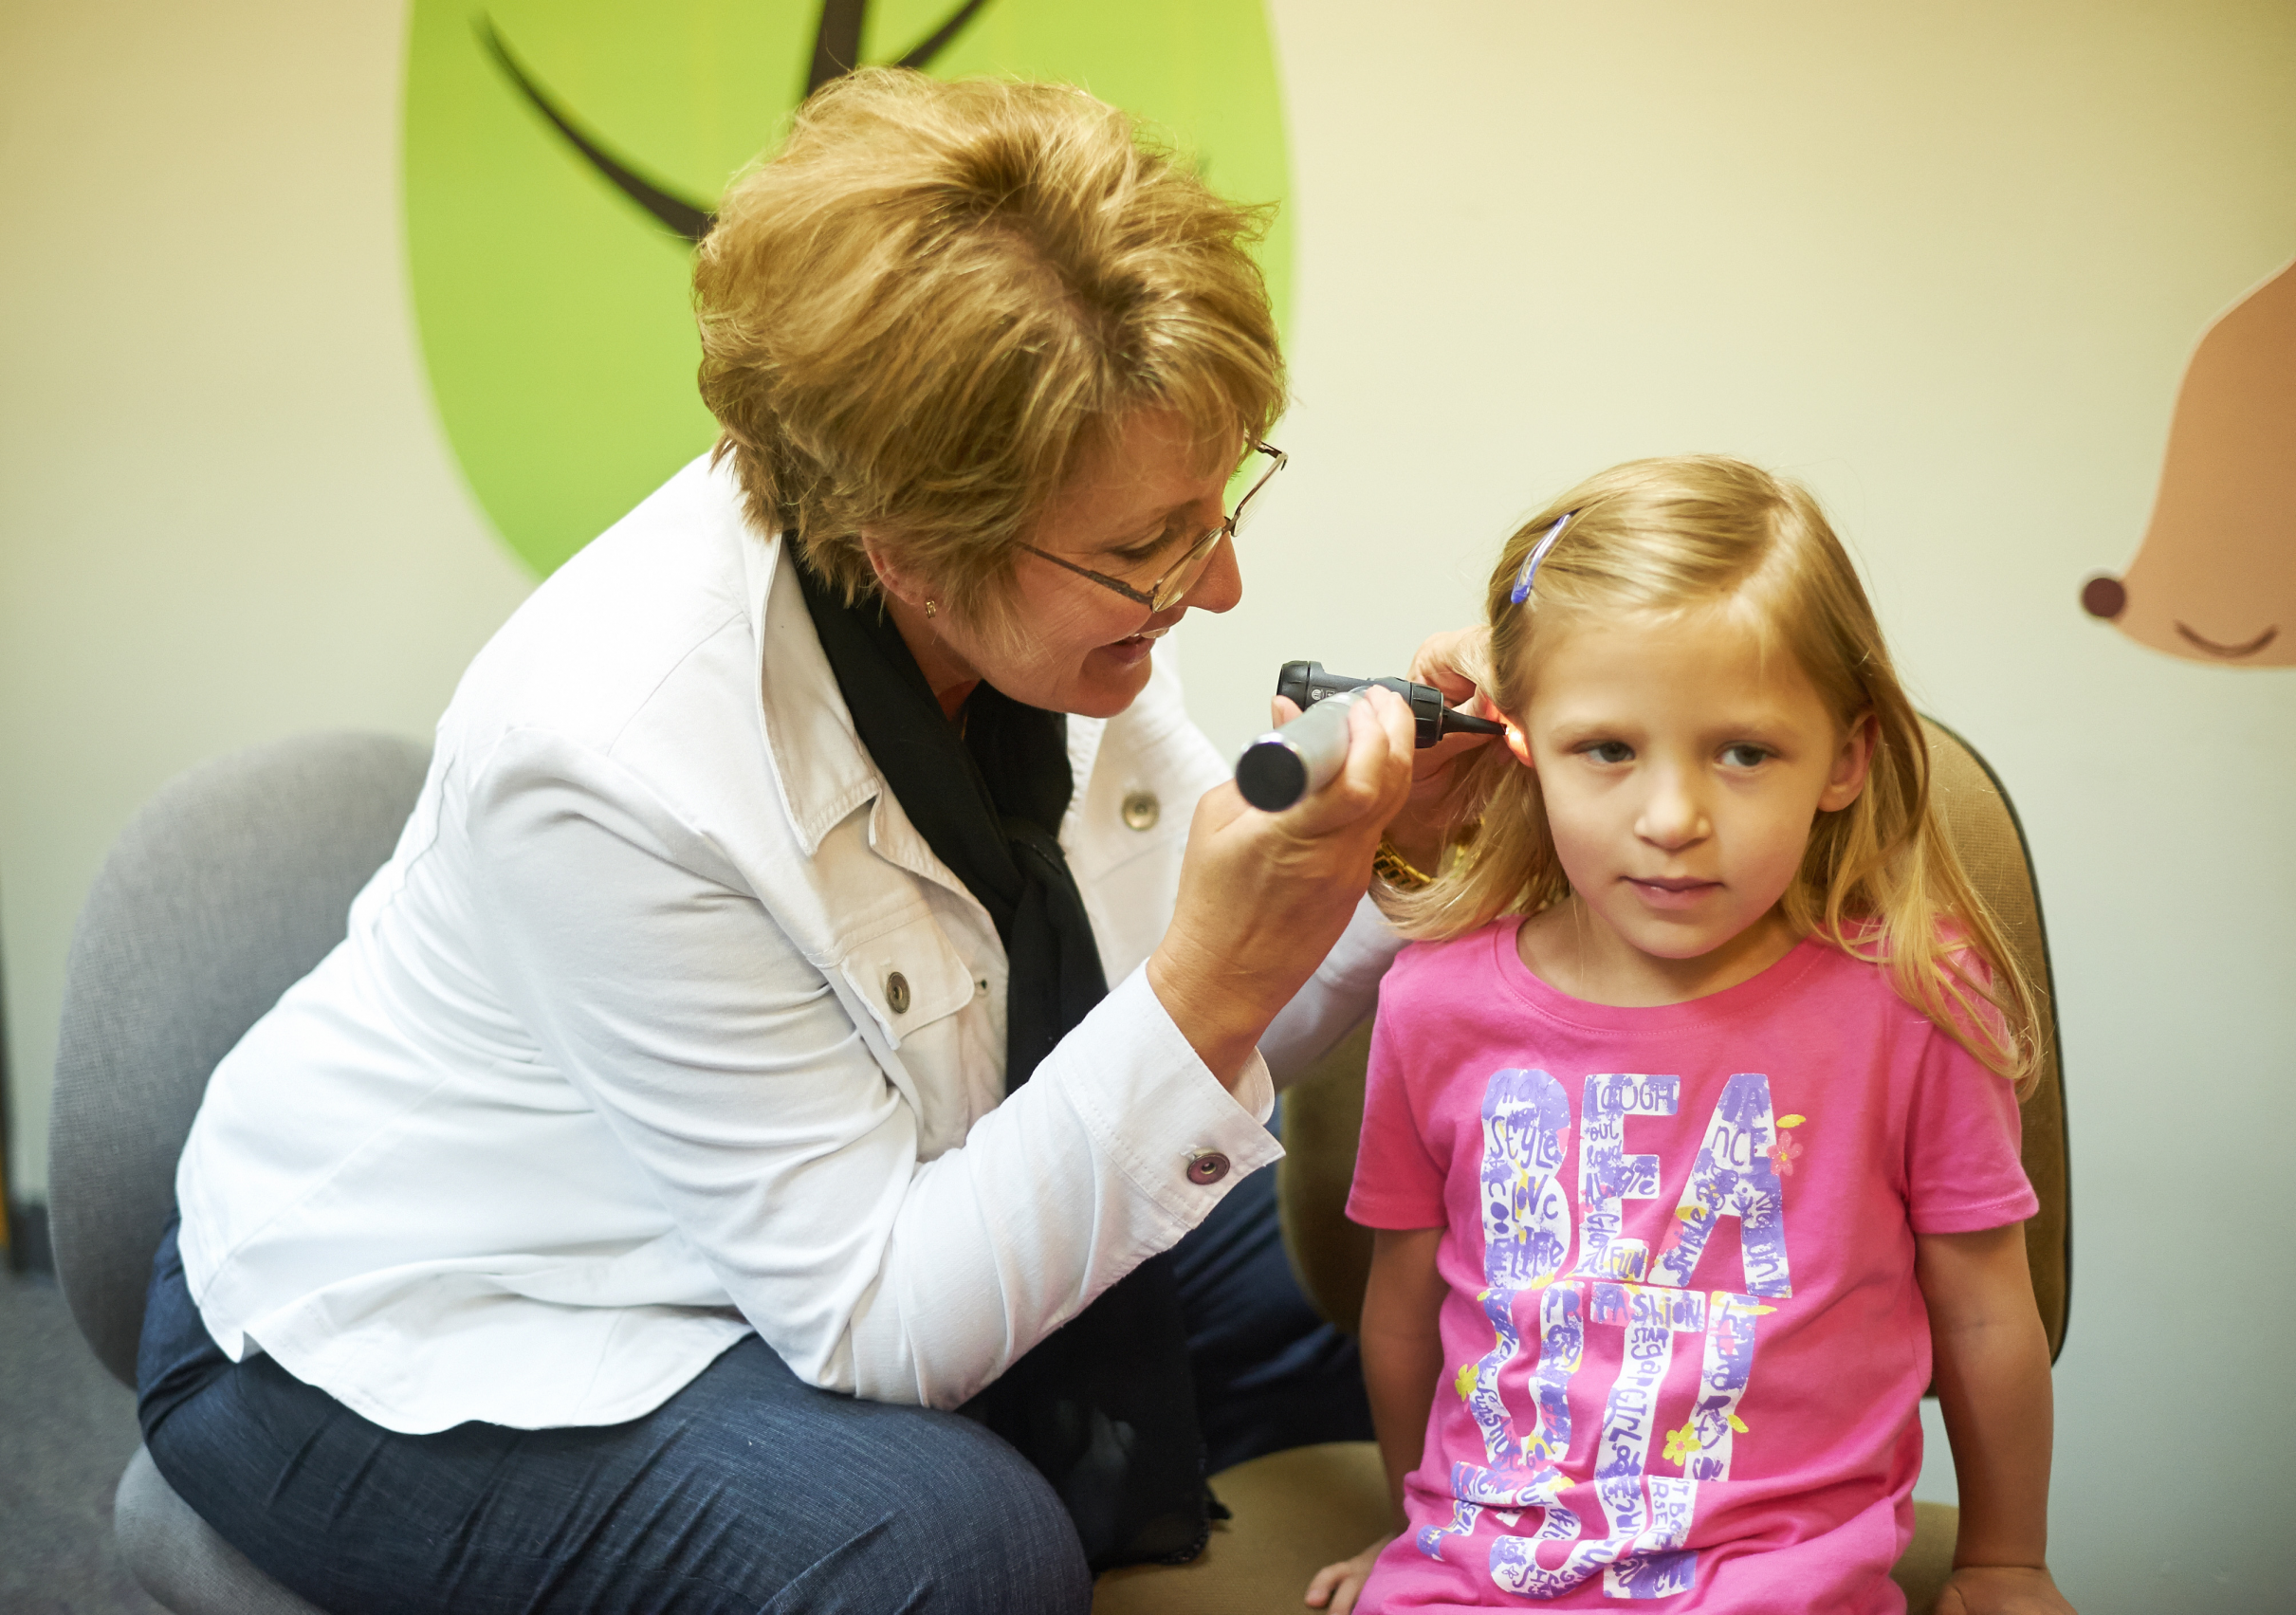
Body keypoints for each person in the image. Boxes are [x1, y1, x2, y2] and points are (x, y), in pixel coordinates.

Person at [136, 69, 1488, 1615]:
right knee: (950, 1544)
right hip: (421, 1327)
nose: (1221, 584)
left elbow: (1144, 1027)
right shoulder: (606, 755)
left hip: (869, 1181)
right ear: (901, 543)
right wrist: (1209, 981)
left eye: (1216, 502)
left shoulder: (1048, 594)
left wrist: (1390, 870)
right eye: (1150, 548)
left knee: (1388, 1301)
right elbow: (883, 1313)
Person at [1304, 457, 2074, 1613]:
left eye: (1743, 751)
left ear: (1846, 758)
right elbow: (1407, 1302)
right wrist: (1425, 1526)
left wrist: (2004, 1558)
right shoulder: (1430, 1002)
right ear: (1521, 743)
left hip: (1778, 1584)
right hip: (1474, 1580)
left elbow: (1982, 1307)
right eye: (1607, 749)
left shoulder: (1913, 1004)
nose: (1671, 819)